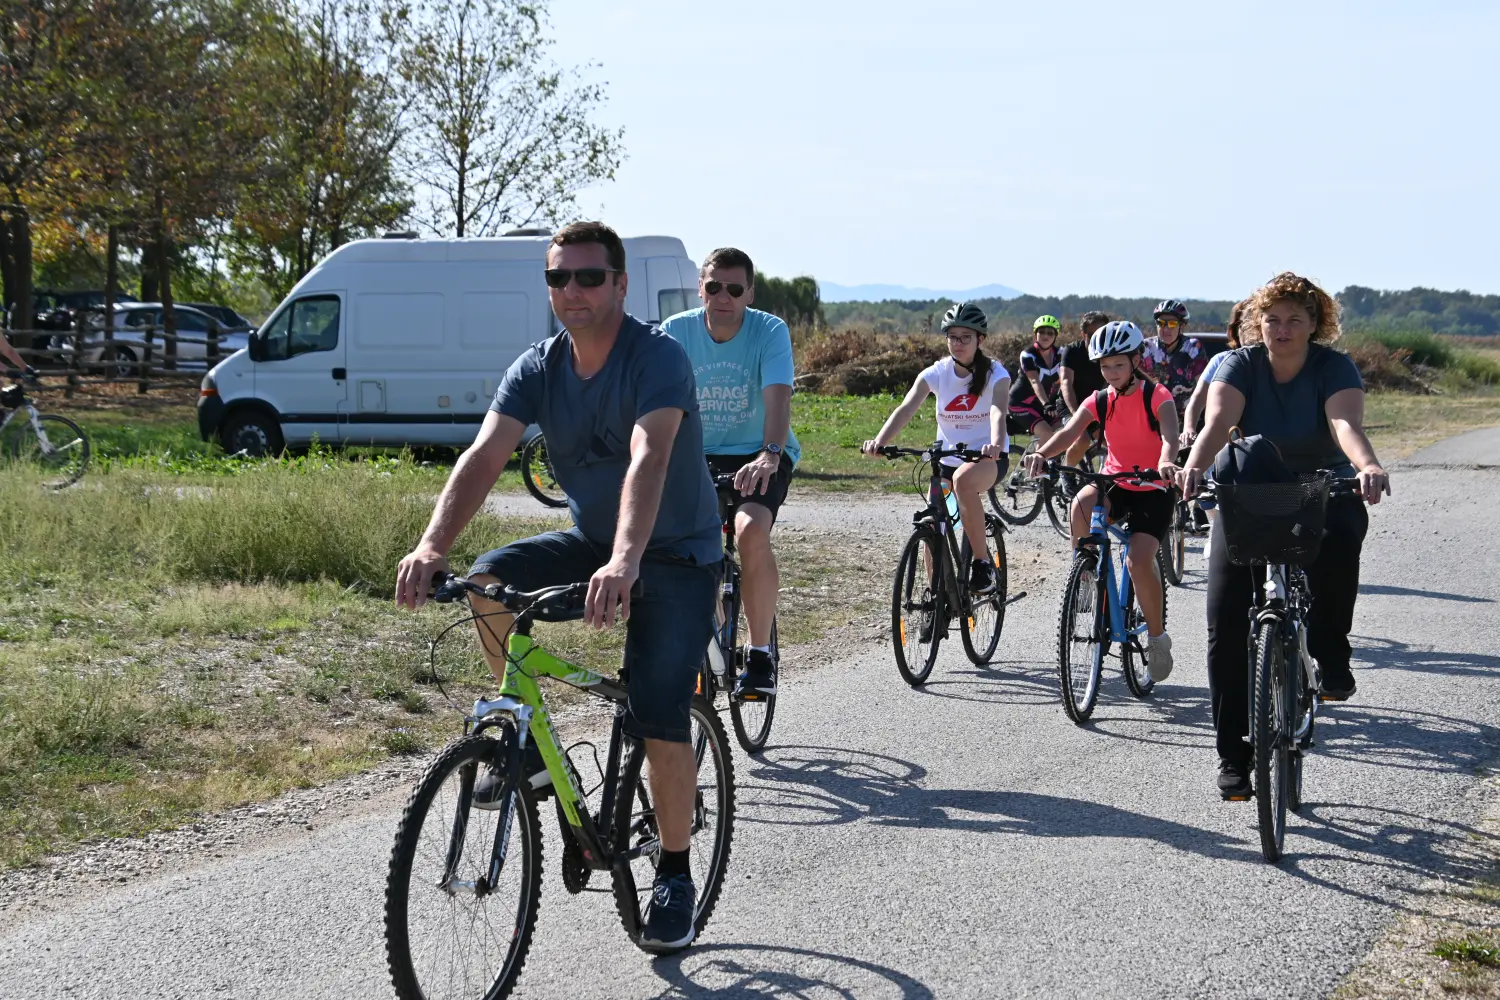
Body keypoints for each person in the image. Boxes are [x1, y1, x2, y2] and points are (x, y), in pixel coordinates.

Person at [394, 221, 721, 952]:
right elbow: (484, 455)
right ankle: (533, 756)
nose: (571, 291)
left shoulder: (656, 358)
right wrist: (431, 545)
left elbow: (650, 455)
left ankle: (674, 872)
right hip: (595, 543)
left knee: (658, 709)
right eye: (557, 278)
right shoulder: (537, 368)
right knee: (486, 582)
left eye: (588, 277)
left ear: (619, 284)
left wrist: (626, 561)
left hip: (676, 554)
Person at [1179, 272, 1390, 800]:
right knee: (1225, 621)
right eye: (1272, 319)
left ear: (1316, 324)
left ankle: (1328, 649)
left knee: (1344, 530)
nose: (1282, 328)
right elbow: (1217, 421)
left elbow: (1345, 425)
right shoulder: (1238, 364)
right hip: (1249, 492)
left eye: (1295, 319)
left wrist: (1366, 465)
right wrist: (1194, 468)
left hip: (1323, 486)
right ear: (1258, 323)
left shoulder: (1333, 367)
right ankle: (1233, 755)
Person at [660, 247, 797, 698]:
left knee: (750, 529)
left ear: (749, 294)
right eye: (714, 286)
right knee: (678, 547)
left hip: (758, 451)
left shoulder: (769, 330)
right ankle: (708, 628)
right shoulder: (675, 332)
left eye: (734, 289)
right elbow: (657, 401)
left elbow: (778, 397)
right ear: (701, 287)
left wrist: (770, 453)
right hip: (695, 454)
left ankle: (759, 654)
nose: (723, 296)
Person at [1025, 321, 1179, 681]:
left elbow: (1170, 436)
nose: (1111, 373)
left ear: (1136, 360)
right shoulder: (1101, 399)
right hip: (1116, 480)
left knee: (1139, 560)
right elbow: (1068, 433)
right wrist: (1043, 455)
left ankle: (1156, 637)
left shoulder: (1157, 395)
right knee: (1079, 505)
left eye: (1118, 365)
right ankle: (1088, 575)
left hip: (1152, 487)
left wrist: (1167, 461)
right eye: (1105, 366)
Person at [860, 301, 1010, 596]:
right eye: (952, 337)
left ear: (980, 339)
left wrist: (994, 442)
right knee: (935, 523)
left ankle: (982, 564)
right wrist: (881, 441)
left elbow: (997, 410)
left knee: (964, 482)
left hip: (986, 458)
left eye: (965, 337)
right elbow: (906, 408)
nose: (958, 343)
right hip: (947, 458)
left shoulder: (996, 373)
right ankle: (935, 596)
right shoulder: (937, 372)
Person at [1178, 300, 1247, 543]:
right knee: (1205, 472)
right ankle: (1215, 527)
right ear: (1235, 330)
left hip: (1254, 443)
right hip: (1221, 440)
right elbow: (1196, 400)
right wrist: (1188, 427)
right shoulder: (1220, 361)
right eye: (1243, 325)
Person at [1059, 310, 1111, 467]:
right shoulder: (1072, 351)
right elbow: (1066, 382)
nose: (1097, 339)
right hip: (1070, 406)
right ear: (1083, 335)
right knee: (1082, 440)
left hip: (1095, 406)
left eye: (1101, 334)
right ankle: (1066, 472)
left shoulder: (1109, 352)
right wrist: (1076, 415)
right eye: (1091, 335)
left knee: (1112, 441)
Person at [1141, 299, 1208, 418]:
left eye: (1172, 324)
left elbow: (1203, 386)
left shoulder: (1193, 348)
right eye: (1161, 323)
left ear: (1181, 326)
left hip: (1187, 417)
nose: (1166, 329)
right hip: (1152, 416)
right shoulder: (1146, 348)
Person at [1006, 315, 1065, 446]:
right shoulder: (1028, 354)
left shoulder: (1061, 353)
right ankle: (1036, 465)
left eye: (1050, 333)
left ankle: (1049, 462)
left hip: (1044, 404)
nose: (1046, 336)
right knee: (1047, 433)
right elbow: (1035, 381)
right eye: (1042, 332)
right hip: (1021, 404)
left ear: (1055, 336)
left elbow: (1066, 378)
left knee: (1064, 432)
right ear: (1035, 334)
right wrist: (1047, 404)